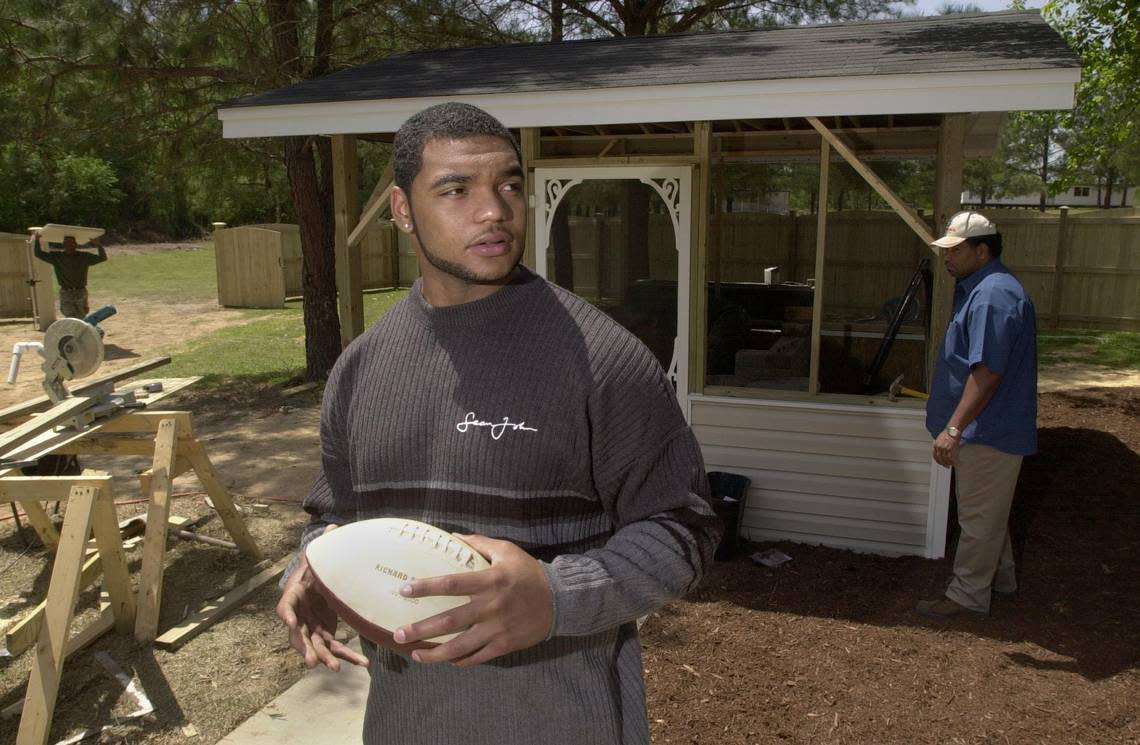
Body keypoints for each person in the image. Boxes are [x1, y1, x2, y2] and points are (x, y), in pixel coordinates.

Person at [275, 102, 721, 745]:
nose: (494, 211)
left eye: (508, 184)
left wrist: (555, 594)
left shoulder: (602, 358)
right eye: (456, 189)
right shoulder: (361, 369)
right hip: (404, 724)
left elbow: (686, 530)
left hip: (564, 724)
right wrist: (312, 571)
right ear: (402, 211)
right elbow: (333, 516)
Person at [917, 211, 1037, 620]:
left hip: (989, 430)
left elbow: (987, 373)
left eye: (955, 251)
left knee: (978, 517)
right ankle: (1001, 579)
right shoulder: (984, 287)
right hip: (989, 427)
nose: (946, 258)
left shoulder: (992, 296)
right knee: (987, 510)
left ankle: (967, 596)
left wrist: (954, 427)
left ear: (982, 251)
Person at [32, 231, 107, 318]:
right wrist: (37, 240)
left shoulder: (84, 256)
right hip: (66, 292)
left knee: (82, 316)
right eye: (67, 243)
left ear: (76, 244)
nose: (69, 245)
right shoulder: (57, 257)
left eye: (72, 243)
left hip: (80, 291)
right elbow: (38, 254)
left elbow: (102, 258)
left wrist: (98, 245)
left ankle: (83, 331)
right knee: (70, 317)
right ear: (63, 244)